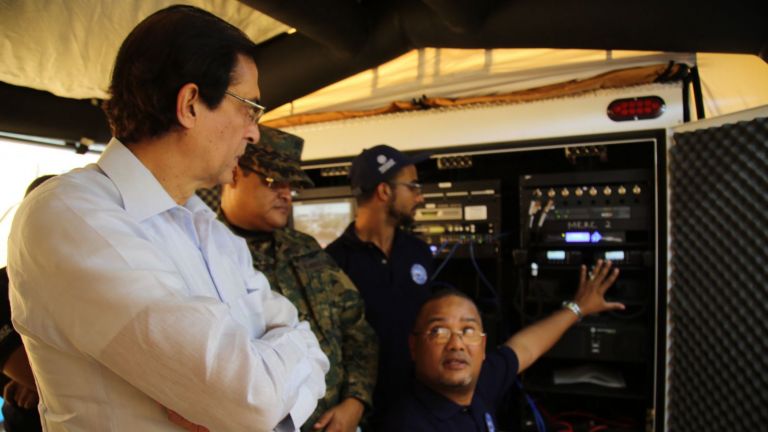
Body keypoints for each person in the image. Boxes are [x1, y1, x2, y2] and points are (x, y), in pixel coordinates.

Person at [7, 6, 328, 431]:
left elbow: (313, 351)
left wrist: (271, 395)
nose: (253, 132)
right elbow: (248, 398)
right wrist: (273, 374)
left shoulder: (209, 230)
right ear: (191, 104)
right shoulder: (72, 215)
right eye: (250, 108)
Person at [209, 126, 378, 432]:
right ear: (234, 173)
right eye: (275, 182)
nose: (287, 194)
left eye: (292, 185)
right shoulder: (208, 253)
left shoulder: (305, 249)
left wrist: (355, 401)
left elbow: (356, 328)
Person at [381, 260, 622, 431]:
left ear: (483, 346)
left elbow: (525, 347)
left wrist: (578, 308)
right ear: (413, 346)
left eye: (467, 330)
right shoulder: (407, 423)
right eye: (439, 331)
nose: (457, 344)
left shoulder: (477, 383)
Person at [325, 144, 432, 426]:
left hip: (420, 409)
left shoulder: (418, 252)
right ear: (384, 192)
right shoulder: (332, 263)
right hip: (367, 415)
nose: (419, 196)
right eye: (413, 186)